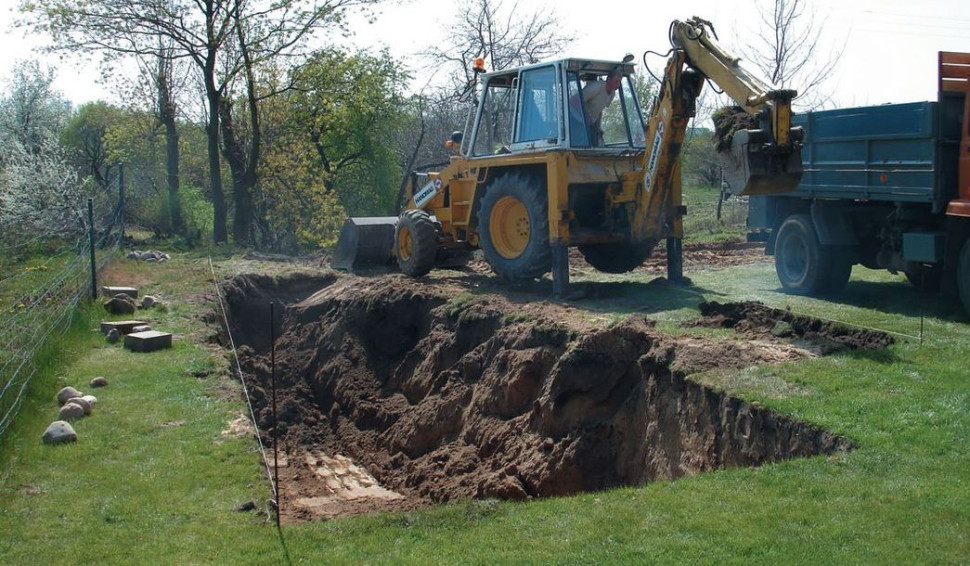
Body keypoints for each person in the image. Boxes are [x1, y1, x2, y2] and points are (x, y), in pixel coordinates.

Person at [576, 72, 622, 146]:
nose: (618, 84)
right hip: (576, 121)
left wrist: (598, 126)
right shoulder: (597, 87)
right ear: (608, 79)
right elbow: (576, 100)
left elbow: (600, 109)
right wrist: (586, 117)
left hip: (589, 124)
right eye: (616, 81)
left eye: (619, 82)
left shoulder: (612, 94)